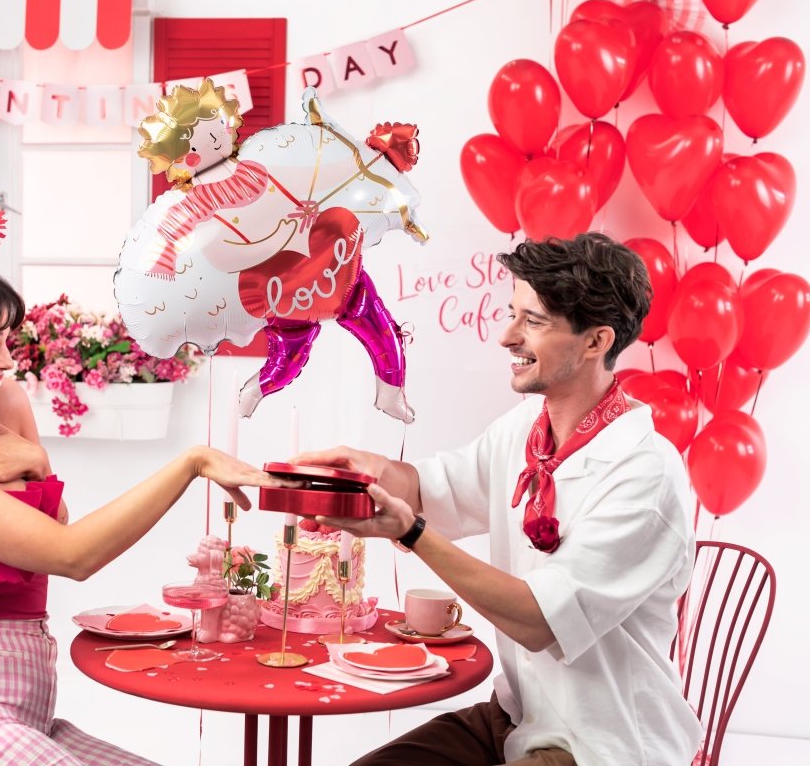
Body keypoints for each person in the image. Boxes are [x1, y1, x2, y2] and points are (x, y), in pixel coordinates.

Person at [0, 213, 287, 766]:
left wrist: (39, 463)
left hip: (26, 716)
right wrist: (192, 463)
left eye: (6, 341)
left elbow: (53, 522)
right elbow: (73, 555)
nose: (6, 361)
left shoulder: (3, 407)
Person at [298, 233, 702, 766]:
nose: (507, 336)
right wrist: (361, 470)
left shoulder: (644, 472)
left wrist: (412, 533)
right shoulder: (526, 429)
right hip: (514, 716)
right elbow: (429, 489)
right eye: (513, 314)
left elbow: (540, 622)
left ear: (596, 341)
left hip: (602, 743)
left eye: (533, 321)